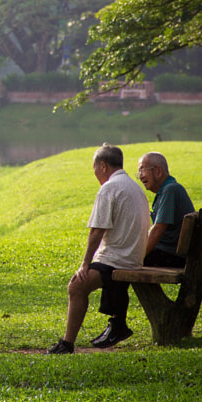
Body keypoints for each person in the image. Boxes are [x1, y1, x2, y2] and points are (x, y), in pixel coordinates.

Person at [47, 144, 150, 354]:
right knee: (87, 280)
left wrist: (84, 265)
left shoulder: (109, 188)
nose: (95, 174)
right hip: (133, 256)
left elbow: (97, 231)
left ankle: (66, 344)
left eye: (94, 169)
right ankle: (117, 324)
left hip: (119, 259)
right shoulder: (133, 186)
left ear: (103, 166)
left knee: (76, 286)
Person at [137, 152, 195, 268]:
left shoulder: (170, 190)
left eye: (143, 170)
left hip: (173, 256)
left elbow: (158, 229)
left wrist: (137, 257)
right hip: (170, 254)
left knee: (122, 261)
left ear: (158, 171)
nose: (140, 176)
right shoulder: (167, 190)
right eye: (139, 172)